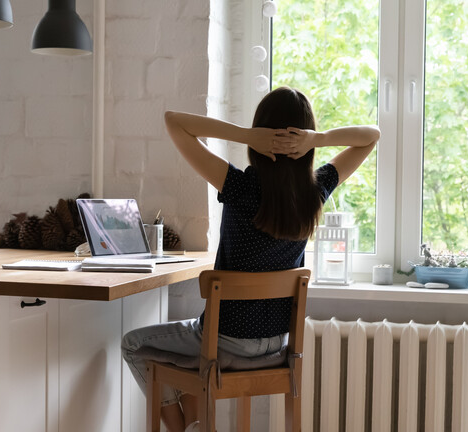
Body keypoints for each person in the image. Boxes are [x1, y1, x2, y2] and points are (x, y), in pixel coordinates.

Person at [121, 87, 379, 432]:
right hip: (276, 346)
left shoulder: (240, 186)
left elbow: (174, 122)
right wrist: (318, 140)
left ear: (260, 136)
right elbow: (370, 137)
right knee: (192, 344)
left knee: (135, 344)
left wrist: (245, 135)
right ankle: (196, 424)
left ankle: (185, 430)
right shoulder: (314, 191)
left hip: (226, 344)